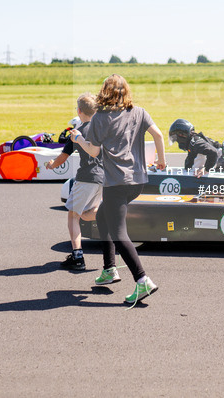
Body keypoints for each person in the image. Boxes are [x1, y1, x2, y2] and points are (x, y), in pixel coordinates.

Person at [72, 74, 166, 306]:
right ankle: (109, 268)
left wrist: (79, 139)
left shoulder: (100, 119)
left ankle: (142, 279)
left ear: (104, 92)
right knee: (102, 216)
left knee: (119, 232)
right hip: (138, 181)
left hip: (116, 183)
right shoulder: (139, 112)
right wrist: (161, 161)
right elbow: (158, 135)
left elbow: (93, 152)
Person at [45, 94, 103, 272]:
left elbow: (63, 157)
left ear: (79, 111)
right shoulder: (102, 130)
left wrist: (51, 164)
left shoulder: (77, 132)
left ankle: (77, 256)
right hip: (102, 179)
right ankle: (109, 214)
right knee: (87, 214)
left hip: (86, 178)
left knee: (73, 215)